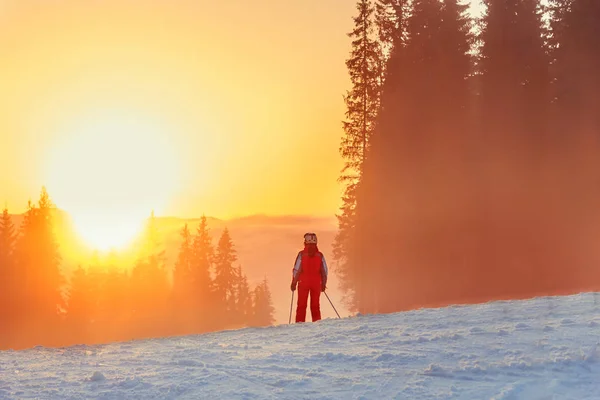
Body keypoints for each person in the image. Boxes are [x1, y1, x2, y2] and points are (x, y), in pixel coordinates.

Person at [290, 232, 328, 322]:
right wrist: (323, 284)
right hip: (316, 283)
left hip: (303, 283)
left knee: (301, 305)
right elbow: (324, 271)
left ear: (305, 242)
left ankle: (299, 324)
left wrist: (293, 283)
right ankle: (317, 323)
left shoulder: (301, 255)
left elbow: (296, 270)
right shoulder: (320, 255)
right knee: (315, 306)